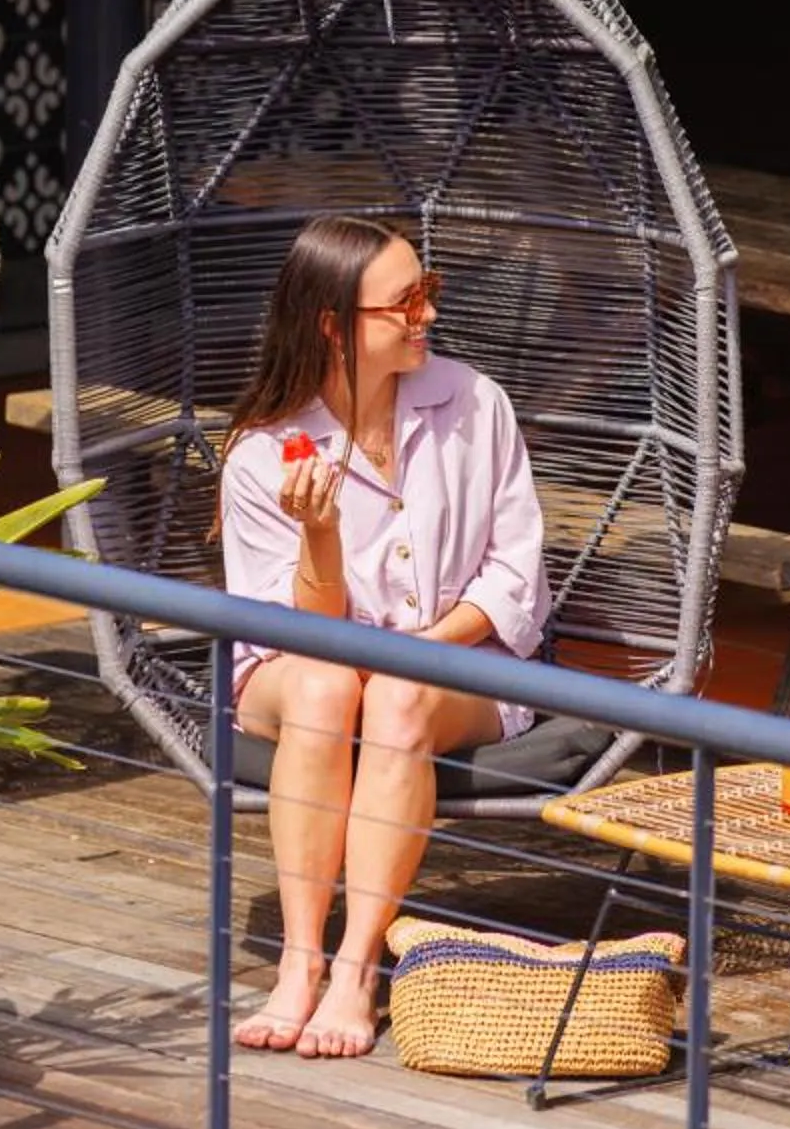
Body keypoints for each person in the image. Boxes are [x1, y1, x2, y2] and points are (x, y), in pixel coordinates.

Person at [218, 216, 548, 1058]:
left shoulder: (475, 402)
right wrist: (319, 536)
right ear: (332, 324)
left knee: (396, 695)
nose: (426, 316)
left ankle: (356, 969)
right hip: (300, 669)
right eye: (404, 303)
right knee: (330, 686)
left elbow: (516, 575)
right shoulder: (264, 456)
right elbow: (296, 636)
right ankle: (299, 964)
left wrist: (427, 647)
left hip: (457, 664)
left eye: (427, 292)